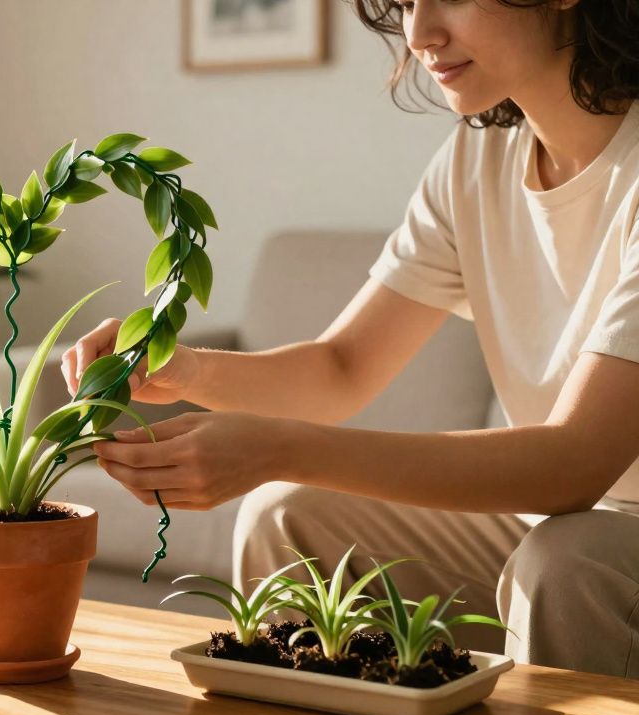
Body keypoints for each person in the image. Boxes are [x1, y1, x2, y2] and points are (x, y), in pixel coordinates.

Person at [68, 0, 639, 677]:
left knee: (563, 563)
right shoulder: (475, 159)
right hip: (545, 525)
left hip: (591, 537)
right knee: (286, 515)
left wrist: (279, 446)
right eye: (403, 3)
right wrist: (183, 370)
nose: (420, 34)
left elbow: (572, 465)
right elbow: (341, 368)